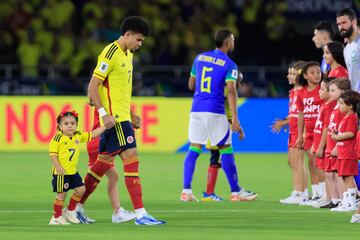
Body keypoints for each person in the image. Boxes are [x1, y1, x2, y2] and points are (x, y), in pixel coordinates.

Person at [78, 16, 165, 225]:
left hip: (123, 116)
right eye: (139, 39)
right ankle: (141, 214)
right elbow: (92, 87)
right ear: (128, 35)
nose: (140, 44)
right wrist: (102, 113)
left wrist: (132, 113)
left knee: (101, 165)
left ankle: (76, 206)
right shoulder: (110, 53)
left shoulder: (128, 54)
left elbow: (119, 92)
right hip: (115, 120)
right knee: (132, 159)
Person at [180, 29, 257, 202]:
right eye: (233, 40)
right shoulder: (230, 64)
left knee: (194, 149)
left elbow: (191, 85)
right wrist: (235, 118)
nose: (234, 43)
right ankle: (236, 192)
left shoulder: (199, 58)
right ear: (228, 42)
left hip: (197, 109)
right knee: (226, 149)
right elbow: (231, 90)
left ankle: (186, 191)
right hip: (215, 109)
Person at [76, 107, 136, 224]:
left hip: (99, 141)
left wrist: (132, 115)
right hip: (101, 140)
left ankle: (117, 212)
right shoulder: (106, 102)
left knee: (111, 176)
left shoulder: (103, 102)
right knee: (97, 175)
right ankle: (75, 206)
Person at [49, 110, 105, 225]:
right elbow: (53, 154)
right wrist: (58, 167)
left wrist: (105, 127)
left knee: (81, 190)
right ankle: (56, 217)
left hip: (73, 172)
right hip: (62, 173)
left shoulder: (77, 135)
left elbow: (92, 134)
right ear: (60, 126)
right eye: (66, 124)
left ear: (76, 125)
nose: (70, 126)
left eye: (72, 123)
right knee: (62, 194)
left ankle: (70, 210)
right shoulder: (57, 139)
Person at [201, 72, 244, 202]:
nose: (239, 85)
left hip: (213, 127)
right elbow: (229, 114)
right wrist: (239, 128)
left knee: (215, 159)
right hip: (219, 129)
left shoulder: (216, 90)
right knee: (222, 159)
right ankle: (233, 191)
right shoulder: (227, 93)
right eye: (238, 82)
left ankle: (214, 193)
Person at [272, 61, 308, 204]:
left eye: (292, 73)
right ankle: (302, 191)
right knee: (292, 161)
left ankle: (299, 193)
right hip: (293, 130)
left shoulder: (303, 93)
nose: (289, 76)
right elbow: (294, 113)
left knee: (297, 162)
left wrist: (302, 132)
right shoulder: (293, 92)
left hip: (299, 131)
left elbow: (303, 114)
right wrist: (286, 121)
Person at [296, 61, 324, 205]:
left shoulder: (323, 90)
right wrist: (300, 135)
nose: (317, 75)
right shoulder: (301, 93)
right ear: (305, 75)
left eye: (318, 72)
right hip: (309, 132)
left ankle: (325, 194)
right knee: (311, 163)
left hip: (321, 131)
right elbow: (301, 115)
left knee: (320, 163)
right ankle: (316, 194)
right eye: (312, 73)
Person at [322, 78, 351, 209]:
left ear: (343, 92)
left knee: (341, 175)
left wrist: (336, 146)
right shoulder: (335, 107)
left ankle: (344, 199)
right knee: (331, 173)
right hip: (331, 145)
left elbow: (342, 129)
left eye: (333, 90)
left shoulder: (343, 110)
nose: (330, 93)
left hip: (339, 147)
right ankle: (336, 200)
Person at [310, 77, 337, 208]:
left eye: (322, 89)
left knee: (328, 172)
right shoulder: (324, 105)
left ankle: (332, 197)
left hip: (326, 145)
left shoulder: (330, 106)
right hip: (319, 143)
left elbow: (326, 128)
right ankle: (327, 197)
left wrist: (320, 146)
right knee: (324, 172)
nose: (319, 91)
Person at [331, 90, 360, 212]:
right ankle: (348, 201)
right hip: (343, 152)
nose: (339, 106)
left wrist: (337, 137)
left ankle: (351, 203)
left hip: (349, 153)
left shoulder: (352, 117)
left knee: (348, 178)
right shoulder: (346, 117)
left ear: (350, 106)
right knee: (344, 177)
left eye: (342, 104)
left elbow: (351, 133)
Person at [336, 8, 360, 92]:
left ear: (354, 22)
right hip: (355, 99)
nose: (341, 27)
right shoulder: (346, 50)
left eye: (344, 23)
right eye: (338, 24)